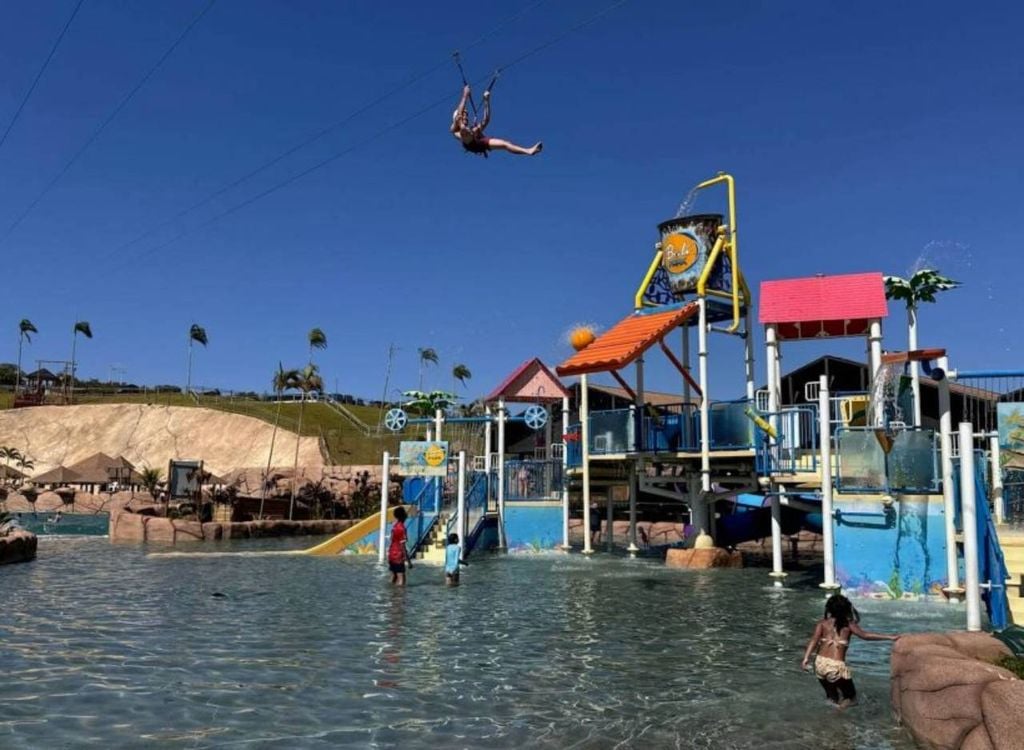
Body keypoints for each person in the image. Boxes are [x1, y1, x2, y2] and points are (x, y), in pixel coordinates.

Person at [801, 593, 899, 708]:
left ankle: (829, 722)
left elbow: (813, 641)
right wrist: (890, 637)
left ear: (829, 609)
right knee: (851, 698)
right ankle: (840, 718)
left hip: (819, 663)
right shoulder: (848, 625)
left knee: (832, 698)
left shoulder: (822, 623)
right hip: (836, 666)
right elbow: (865, 636)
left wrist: (806, 659)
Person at [450, 84, 543, 157]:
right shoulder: (454, 128)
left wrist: (487, 102)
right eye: (464, 115)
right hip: (469, 143)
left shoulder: (472, 129)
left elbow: (486, 120)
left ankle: (529, 151)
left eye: (466, 115)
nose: (466, 117)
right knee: (463, 129)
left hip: (478, 143)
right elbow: (459, 116)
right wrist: (465, 95)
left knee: (505, 144)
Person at [388, 506, 413, 586]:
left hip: (391, 554)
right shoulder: (402, 528)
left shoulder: (394, 526)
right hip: (398, 556)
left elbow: (392, 539)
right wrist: (408, 561)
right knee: (401, 578)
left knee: (394, 576)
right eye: (405, 513)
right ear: (403, 516)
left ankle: (391, 594)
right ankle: (400, 596)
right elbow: (402, 546)